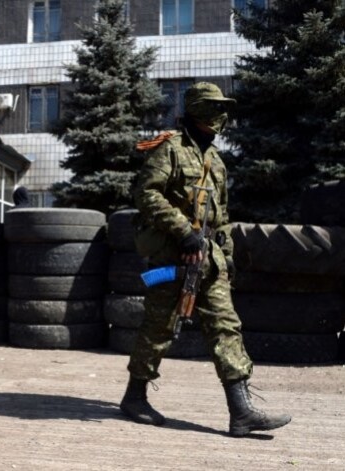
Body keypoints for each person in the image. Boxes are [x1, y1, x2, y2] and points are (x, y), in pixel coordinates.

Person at [120, 82, 291, 437]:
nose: (222, 115)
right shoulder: (169, 149)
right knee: (159, 328)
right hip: (171, 256)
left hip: (208, 261)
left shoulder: (216, 162)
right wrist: (183, 229)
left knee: (226, 326)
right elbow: (146, 193)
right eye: (215, 107)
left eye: (224, 108)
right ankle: (134, 397)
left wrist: (225, 261)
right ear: (197, 110)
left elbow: (222, 217)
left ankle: (241, 411)